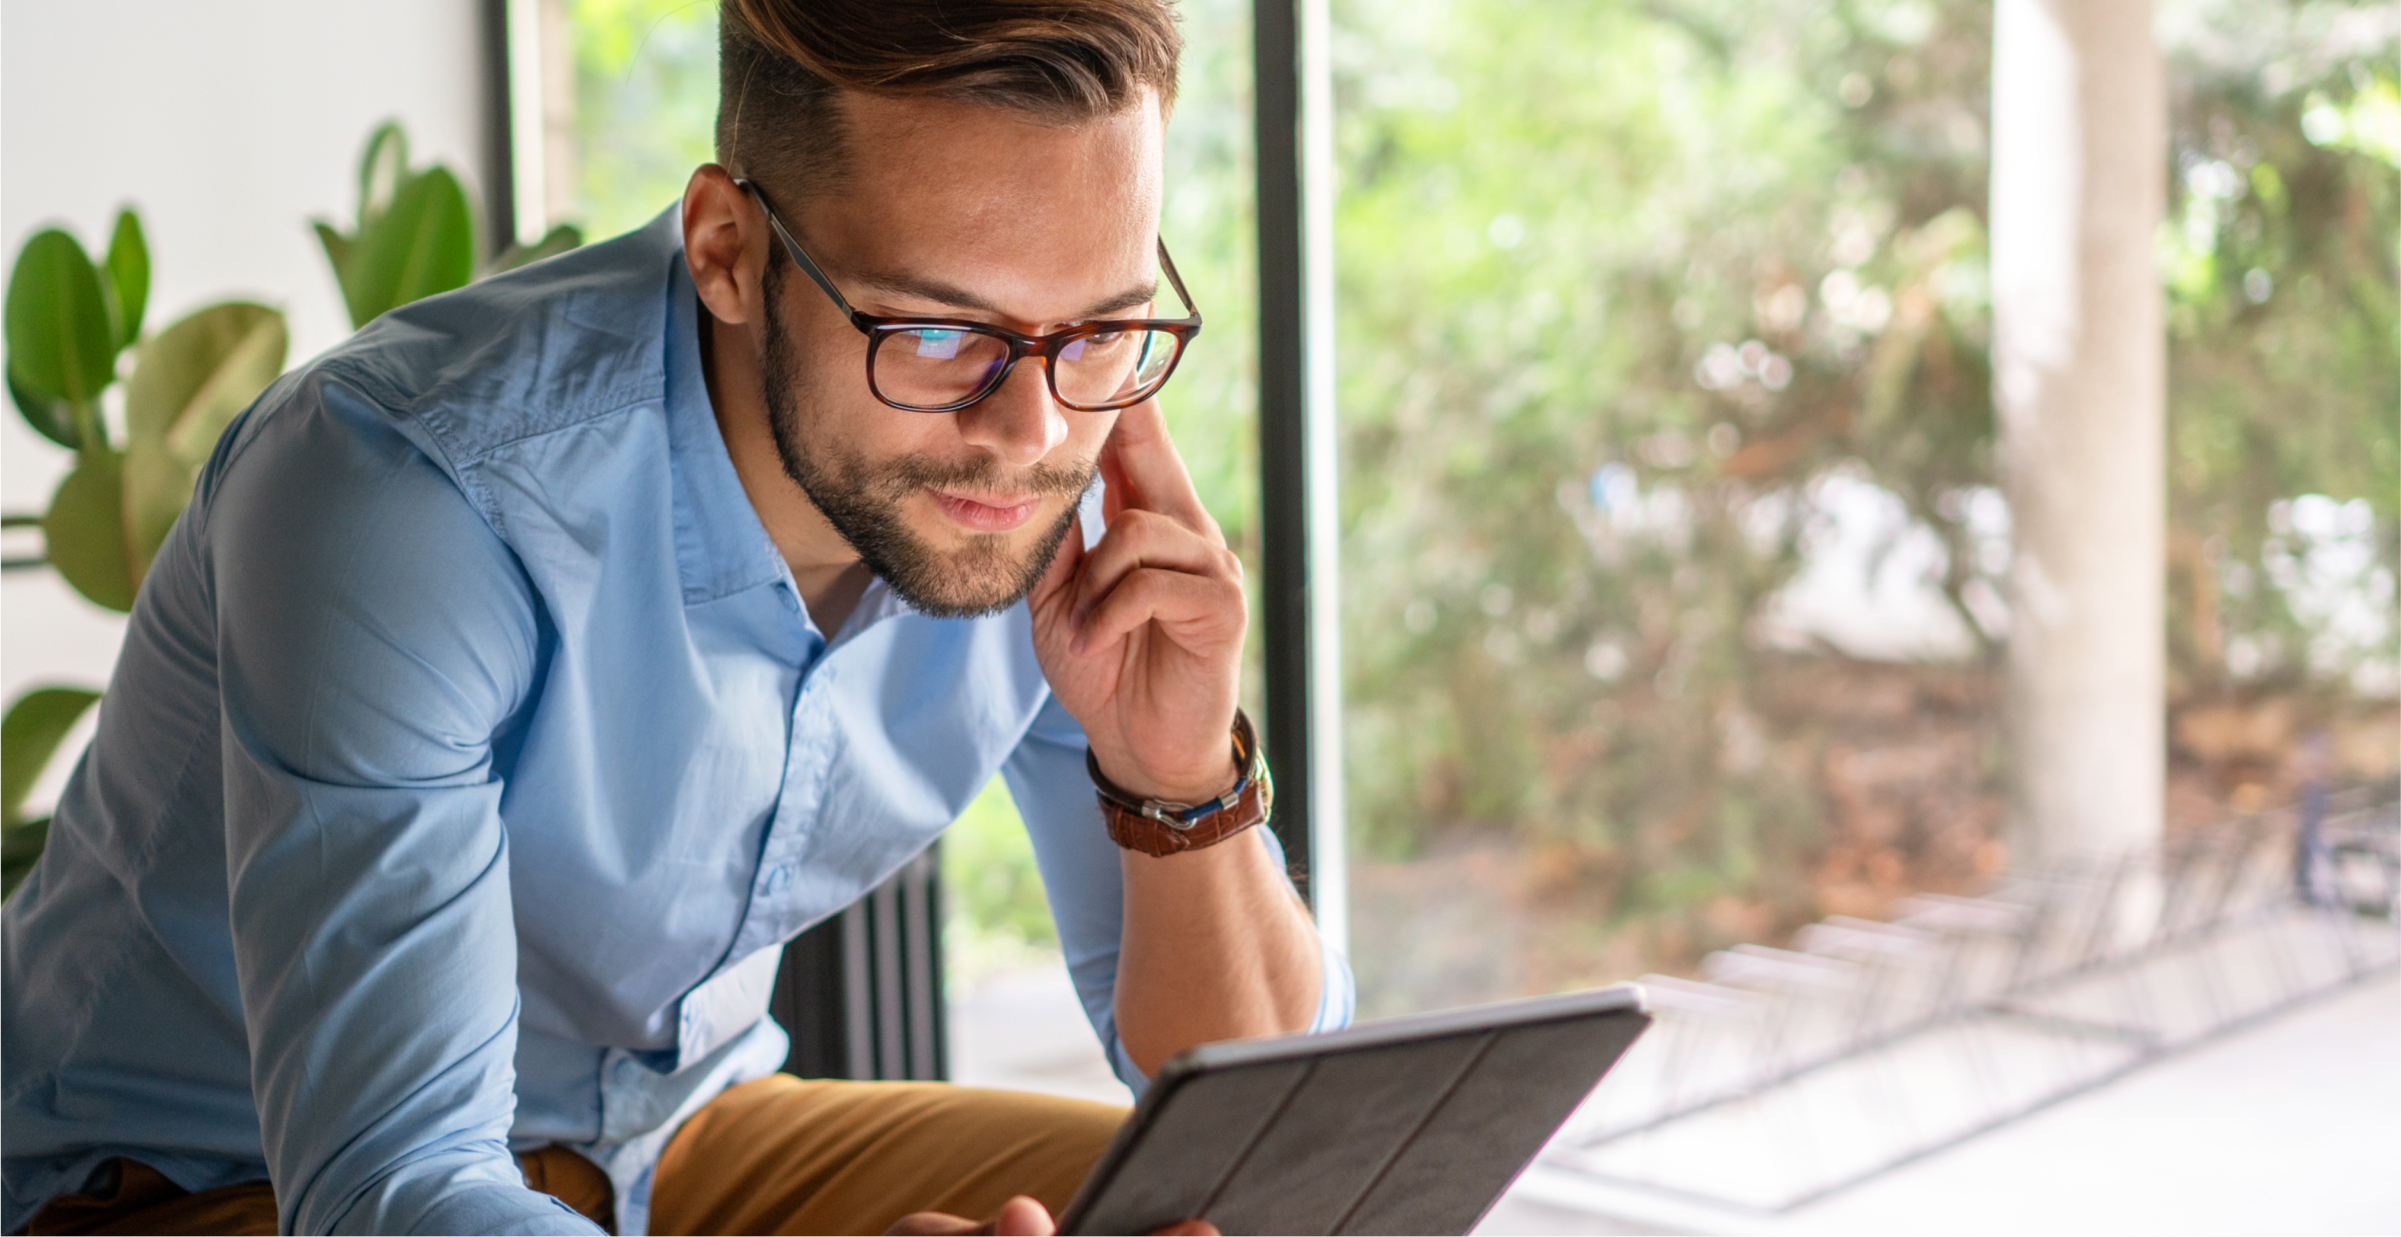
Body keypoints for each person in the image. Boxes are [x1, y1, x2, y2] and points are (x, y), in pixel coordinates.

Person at [1, 0, 1350, 1232]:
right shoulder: (407, 490)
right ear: (726, 249)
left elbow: (1272, 1121)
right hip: (208, 1183)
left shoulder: (1056, 460)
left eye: (1101, 329)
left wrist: (1179, 780)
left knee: (1269, 1214)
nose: (1031, 428)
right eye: (938, 335)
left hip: (674, 1140)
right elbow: (391, 1188)